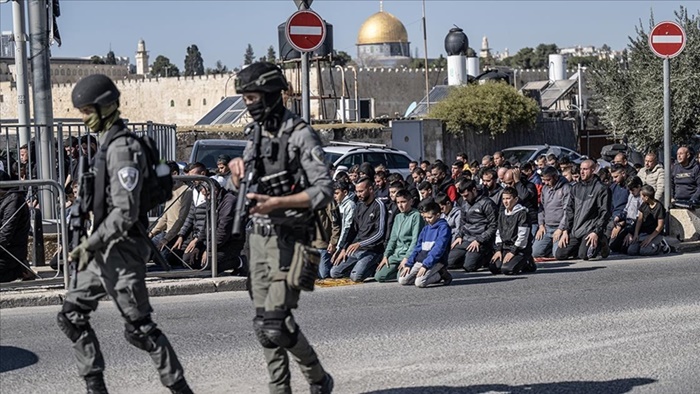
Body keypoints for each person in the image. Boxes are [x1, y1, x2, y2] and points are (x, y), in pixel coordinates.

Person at [56, 74, 192, 393]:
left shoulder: (122, 149)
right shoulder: (106, 145)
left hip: (121, 250)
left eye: (88, 111)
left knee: (141, 329)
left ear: (106, 108)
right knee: (71, 316)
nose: (84, 118)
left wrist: (90, 243)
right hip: (100, 251)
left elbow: (125, 212)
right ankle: (95, 387)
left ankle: (180, 388)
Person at [227, 62, 334, 393]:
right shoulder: (256, 133)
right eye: (244, 99)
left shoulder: (300, 133)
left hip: (289, 239)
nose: (248, 105)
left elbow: (324, 189)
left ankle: (317, 377)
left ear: (271, 95)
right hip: (256, 240)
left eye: (252, 97)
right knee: (265, 326)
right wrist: (235, 173)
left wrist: (278, 203)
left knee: (275, 324)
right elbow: (239, 187)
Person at [331, 176, 386, 282]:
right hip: (357, 250)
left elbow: (380, 233)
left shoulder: (379, 205)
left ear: (370, 189)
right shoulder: (359, 206)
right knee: (334, 272)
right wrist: (343, 249)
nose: (358, 194)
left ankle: (372, 266)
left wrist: (360, 244)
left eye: (361, 191)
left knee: (356, 277)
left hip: (372, 250)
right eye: (357, 191)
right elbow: (352, 229)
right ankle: (357, 268)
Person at [555, 160, 611, 261]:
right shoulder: (575, 188)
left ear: (593, 170)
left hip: (590, 229)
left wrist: (596, 232)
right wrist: (565, 231)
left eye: (585, 169)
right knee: (560, 255)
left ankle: (602, 240)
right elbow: (569, 211)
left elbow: (605, 212)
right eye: (581, 169)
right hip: (576, 229)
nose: (582, 172)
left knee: (584, 255)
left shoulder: (601, 188)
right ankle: (580, 246)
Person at [398, 201, 453, 287]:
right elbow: (417, 247)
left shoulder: (444, 228)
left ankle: (440, 274)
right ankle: (427, 275)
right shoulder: (425, 228)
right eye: (425, 217)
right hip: (421, 260)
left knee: (420, 282)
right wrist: (409, 263)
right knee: (402, 280)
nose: (427, 220)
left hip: (436, 261)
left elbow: (438, 249)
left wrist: (426, 265)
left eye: (430, 217)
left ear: (438, 215)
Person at [149, 161, 193, 265]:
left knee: (160, 259)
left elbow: (182, 219)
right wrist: (152, 233)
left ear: (174, 174)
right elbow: (164, 217)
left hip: (175, 235)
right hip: (165, 233)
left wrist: (166, 239)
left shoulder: (186, 191)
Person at [448, 179, 498, 271]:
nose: (464, 198)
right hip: (466, 238)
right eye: (462, 196)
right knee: (448, 262)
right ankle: (466, 257)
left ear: (474, 190)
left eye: (466, 195)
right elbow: (463, 223)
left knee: (469, 267)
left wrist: (479, 240)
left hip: (481, 240)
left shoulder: (487, 203)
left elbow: (493, 225)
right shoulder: (464, 203)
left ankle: (486, 256)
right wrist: (459, 236)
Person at [375, 189, 422, 282]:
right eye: (398, 202)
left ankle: (413, 270)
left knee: (401, 278)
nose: (400, 205)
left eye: (403, 202)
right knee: (379, 276)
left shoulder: (416, 216)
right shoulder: (398, 217)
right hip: (396, 254)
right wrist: (386, 255)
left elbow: (415, 240)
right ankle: (397, 270)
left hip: (408, 254)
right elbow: (393, 238)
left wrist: (407, 258)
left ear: (411, 201)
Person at [489, 187, 536, 275]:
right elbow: (498, 232)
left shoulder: (522, 214)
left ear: (516, 199)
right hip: (505, 247)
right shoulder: (502, 214)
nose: (505, 201)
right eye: (503, 199)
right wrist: (498, 250)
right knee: (494, 267)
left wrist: (513, 252)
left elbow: (523, 236)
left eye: (508, 198)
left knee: (507, 270)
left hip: (519, 249)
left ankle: (527, 261)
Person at [532, 166, 571, 258]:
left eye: (548, 180)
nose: (545, 182)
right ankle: (549, 247)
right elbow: (541, 208)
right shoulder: (545, 188)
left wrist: (561, 229)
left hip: (560, 228)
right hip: (547, 227)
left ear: (555, 177)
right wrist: (541, 225)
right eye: (544, 180)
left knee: (557, 254)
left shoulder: (566, 188)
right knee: (535, 253)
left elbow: (567, 211)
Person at [0, 170, 31, 282]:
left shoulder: (14, 200)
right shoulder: (3, 199)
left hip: (11, 251)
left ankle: (20, 270)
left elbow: (6, 233)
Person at [624, 185, 670, 256]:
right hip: (643, 233)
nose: (641, 197)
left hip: (654, 234)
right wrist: (636, 234)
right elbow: (639, 220)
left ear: (646, 197)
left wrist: (650, 238)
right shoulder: (644, 204)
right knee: (631, 251)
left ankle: (661, 246)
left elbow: (660, 226)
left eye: (642, 196)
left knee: (645, 251)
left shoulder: (659, 207)